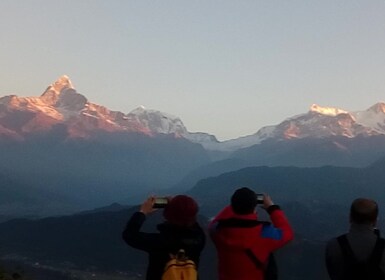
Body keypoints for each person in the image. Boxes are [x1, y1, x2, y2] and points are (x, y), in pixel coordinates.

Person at [209, 187, 294, 280]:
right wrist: (272, 208)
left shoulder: (218, 231)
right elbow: (287, 232)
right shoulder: (263, 234)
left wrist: (239, 202)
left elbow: (215, 222)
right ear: (254, 207)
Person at [122, 195, 206, 280]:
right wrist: (181, 207)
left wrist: (143, 212)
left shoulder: (159, 242)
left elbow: (129, 235)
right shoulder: (199, 239)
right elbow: (191, 221)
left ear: (167, 214)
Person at [325, 198, 385, 280]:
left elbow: (332, 272)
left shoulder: (333, 245)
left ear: (350, 217)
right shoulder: (383, 247)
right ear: (375, 221)